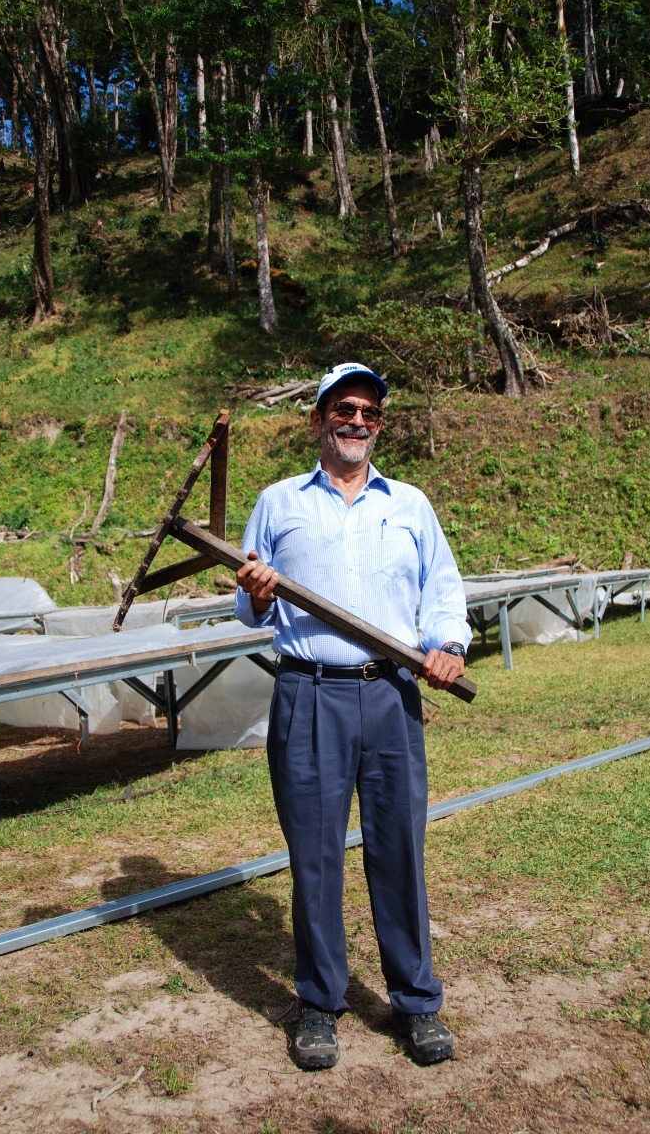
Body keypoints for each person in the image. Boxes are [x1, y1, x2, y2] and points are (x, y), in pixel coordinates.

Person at [234, 361, 471, 1069]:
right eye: (344, 409)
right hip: (308, 694)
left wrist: (447, 645)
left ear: (378, 424)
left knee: (398, 847)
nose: (357, 422)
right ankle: (318, 1004)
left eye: (369, 412)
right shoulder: (278, 503)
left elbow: (442, 587)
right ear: (316, 418)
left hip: (390, 694)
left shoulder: (410, 504)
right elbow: (248, 609)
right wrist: (256, 591)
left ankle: (416, 1002)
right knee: (313, 857)